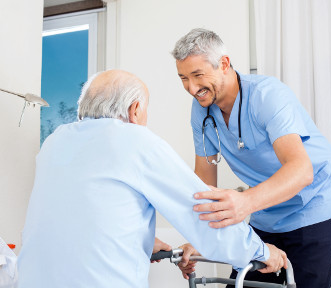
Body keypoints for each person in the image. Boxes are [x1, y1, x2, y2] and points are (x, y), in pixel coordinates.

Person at [17, 70, 287, 288]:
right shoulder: (133, 140)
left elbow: (78, 210)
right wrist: (260, 252)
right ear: (135, 110)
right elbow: (204, 210)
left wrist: (142, 238)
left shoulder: (55, 142)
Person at [172, 28, 331, 288]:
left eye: (198, 75)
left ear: (224, 64)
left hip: (313, 204)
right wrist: (200, 238)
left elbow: (301, 170)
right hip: (265, 211)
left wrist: (245, 203)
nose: (192, 88)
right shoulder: (201, 110)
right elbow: (204, 186)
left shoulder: (268, 95)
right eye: (183, 78)